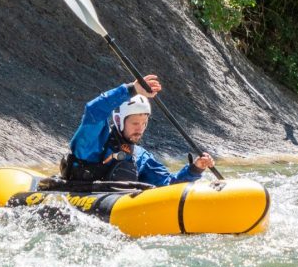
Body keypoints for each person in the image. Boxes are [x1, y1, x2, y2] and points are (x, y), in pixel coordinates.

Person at [61, 74, 214, 185]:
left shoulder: (140, 156)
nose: (140, 129)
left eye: (144, 123)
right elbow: (94, 110)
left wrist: (195, 169)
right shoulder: (95, 142)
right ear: (119, 120)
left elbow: (169, 184)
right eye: (135, 123)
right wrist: (131, 90)